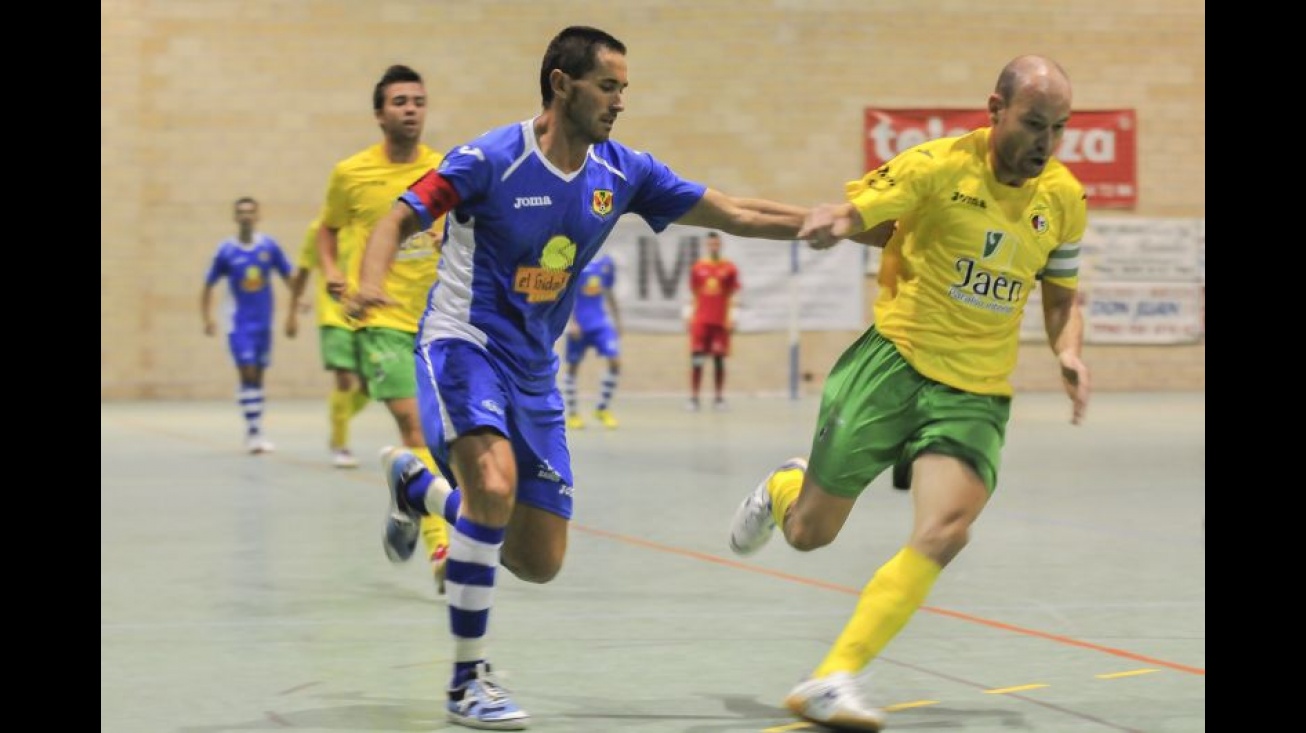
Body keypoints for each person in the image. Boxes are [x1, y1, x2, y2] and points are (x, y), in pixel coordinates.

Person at [349, 26, 816, 731]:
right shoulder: (490, 158)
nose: (620, 101)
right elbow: (399, 216)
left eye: (625, 88)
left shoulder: (622, 172)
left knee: (539, 560)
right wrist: (370, 283)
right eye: (608, 85)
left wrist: (834, 221)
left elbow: (739, 212)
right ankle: (466, 680)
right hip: (463, 343)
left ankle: (419, 487)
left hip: (536, 372)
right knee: (496, 485)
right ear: (561, 84)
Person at [726, 54, 1091, 732]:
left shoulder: (1064, 197)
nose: (1046, 141)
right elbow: (863, 208)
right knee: (809, 533)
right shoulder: (936, 166)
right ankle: (785, 488)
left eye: (1059, 128)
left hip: (975, 390)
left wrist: (1067, 348)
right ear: (995, 108)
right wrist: (837, 222)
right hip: (893, 365)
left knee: (947, 529)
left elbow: (1063, 292)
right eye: (1034, 123)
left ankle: (834, 676)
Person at [315, 64, 450, 591]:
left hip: (440, 320)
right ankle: (442, 546)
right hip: (383, 318)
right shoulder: (351, 174)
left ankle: (408, 495)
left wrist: (452, 238)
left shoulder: (445, 167)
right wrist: (333, 275)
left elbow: (469, 222)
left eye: (418, 100)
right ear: (379, 114)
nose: (410, 109)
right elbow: (327, 232)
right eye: (399, 101)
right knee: (414, 428)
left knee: (443, 439)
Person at [200, 196, 293, 454]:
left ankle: (256, 428)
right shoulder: (226, 251)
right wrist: (207, 317)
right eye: (241, 212)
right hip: (237, 323)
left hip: (263, 322)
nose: (246, 216)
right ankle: (252, 432)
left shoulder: (268, 247)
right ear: (235, 216)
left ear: (257, 215)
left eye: (250, 211)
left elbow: (288, 274)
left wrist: (300, 301)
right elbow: (208, 284)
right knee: (248, 373)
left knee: (259, 376)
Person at [285, 216, 368, 468]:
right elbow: (302, 272)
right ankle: (341, 444)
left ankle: (336, 424)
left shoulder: (365, 225)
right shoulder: (318, 229)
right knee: (343, 378)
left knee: (369, 386)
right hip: (333, 316)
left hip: (365, 314)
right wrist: (291, 312)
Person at [561, 250, 622, 430]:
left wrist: (618, 319)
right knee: (573, 367)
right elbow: (566, 294)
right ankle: (572, 414)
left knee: (615, 361)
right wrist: (572, 323)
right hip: (579, 324)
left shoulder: (606, 262)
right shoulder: (576, 258)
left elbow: (609, 292)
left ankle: (602, 408)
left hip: (600, 323)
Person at [685, 230, 739, 411]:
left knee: (718, 359)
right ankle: (694, 398)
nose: (713, 246)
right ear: (707, 245)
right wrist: (690, 316)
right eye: (711, 244)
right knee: (697, 359)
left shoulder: (729, 268)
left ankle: (719, 398)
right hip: (701, 321)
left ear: (720, 245)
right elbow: (693, 294)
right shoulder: (698, 268)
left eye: (716, 243)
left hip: (720, 322)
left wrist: (732, 317)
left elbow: (732, 295)